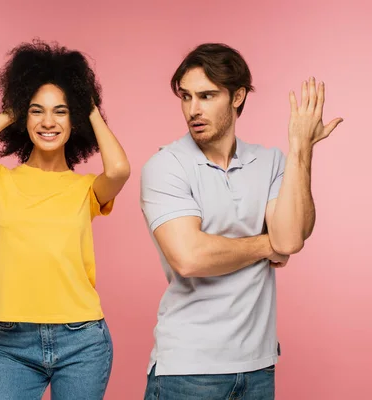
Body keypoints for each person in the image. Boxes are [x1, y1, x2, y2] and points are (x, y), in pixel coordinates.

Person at [140, 43, 342, 399]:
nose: (193, 109)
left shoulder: (271, 161)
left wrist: (300, 148)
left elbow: (292, 237)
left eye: (206, 96)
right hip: (188, 370)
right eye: (186, 97)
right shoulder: (166, 165)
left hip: (258, 367)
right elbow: (190, 257)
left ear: (238, 96)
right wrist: (268, 244)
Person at [0, 39, 130, 400]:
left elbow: (119, 169)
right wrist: (10, 111)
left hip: (82, 341)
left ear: (74, 119)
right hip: (14, 342)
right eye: (36, 111)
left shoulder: (86, 189)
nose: (48, 122)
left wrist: (88, 107)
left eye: (60, 111)